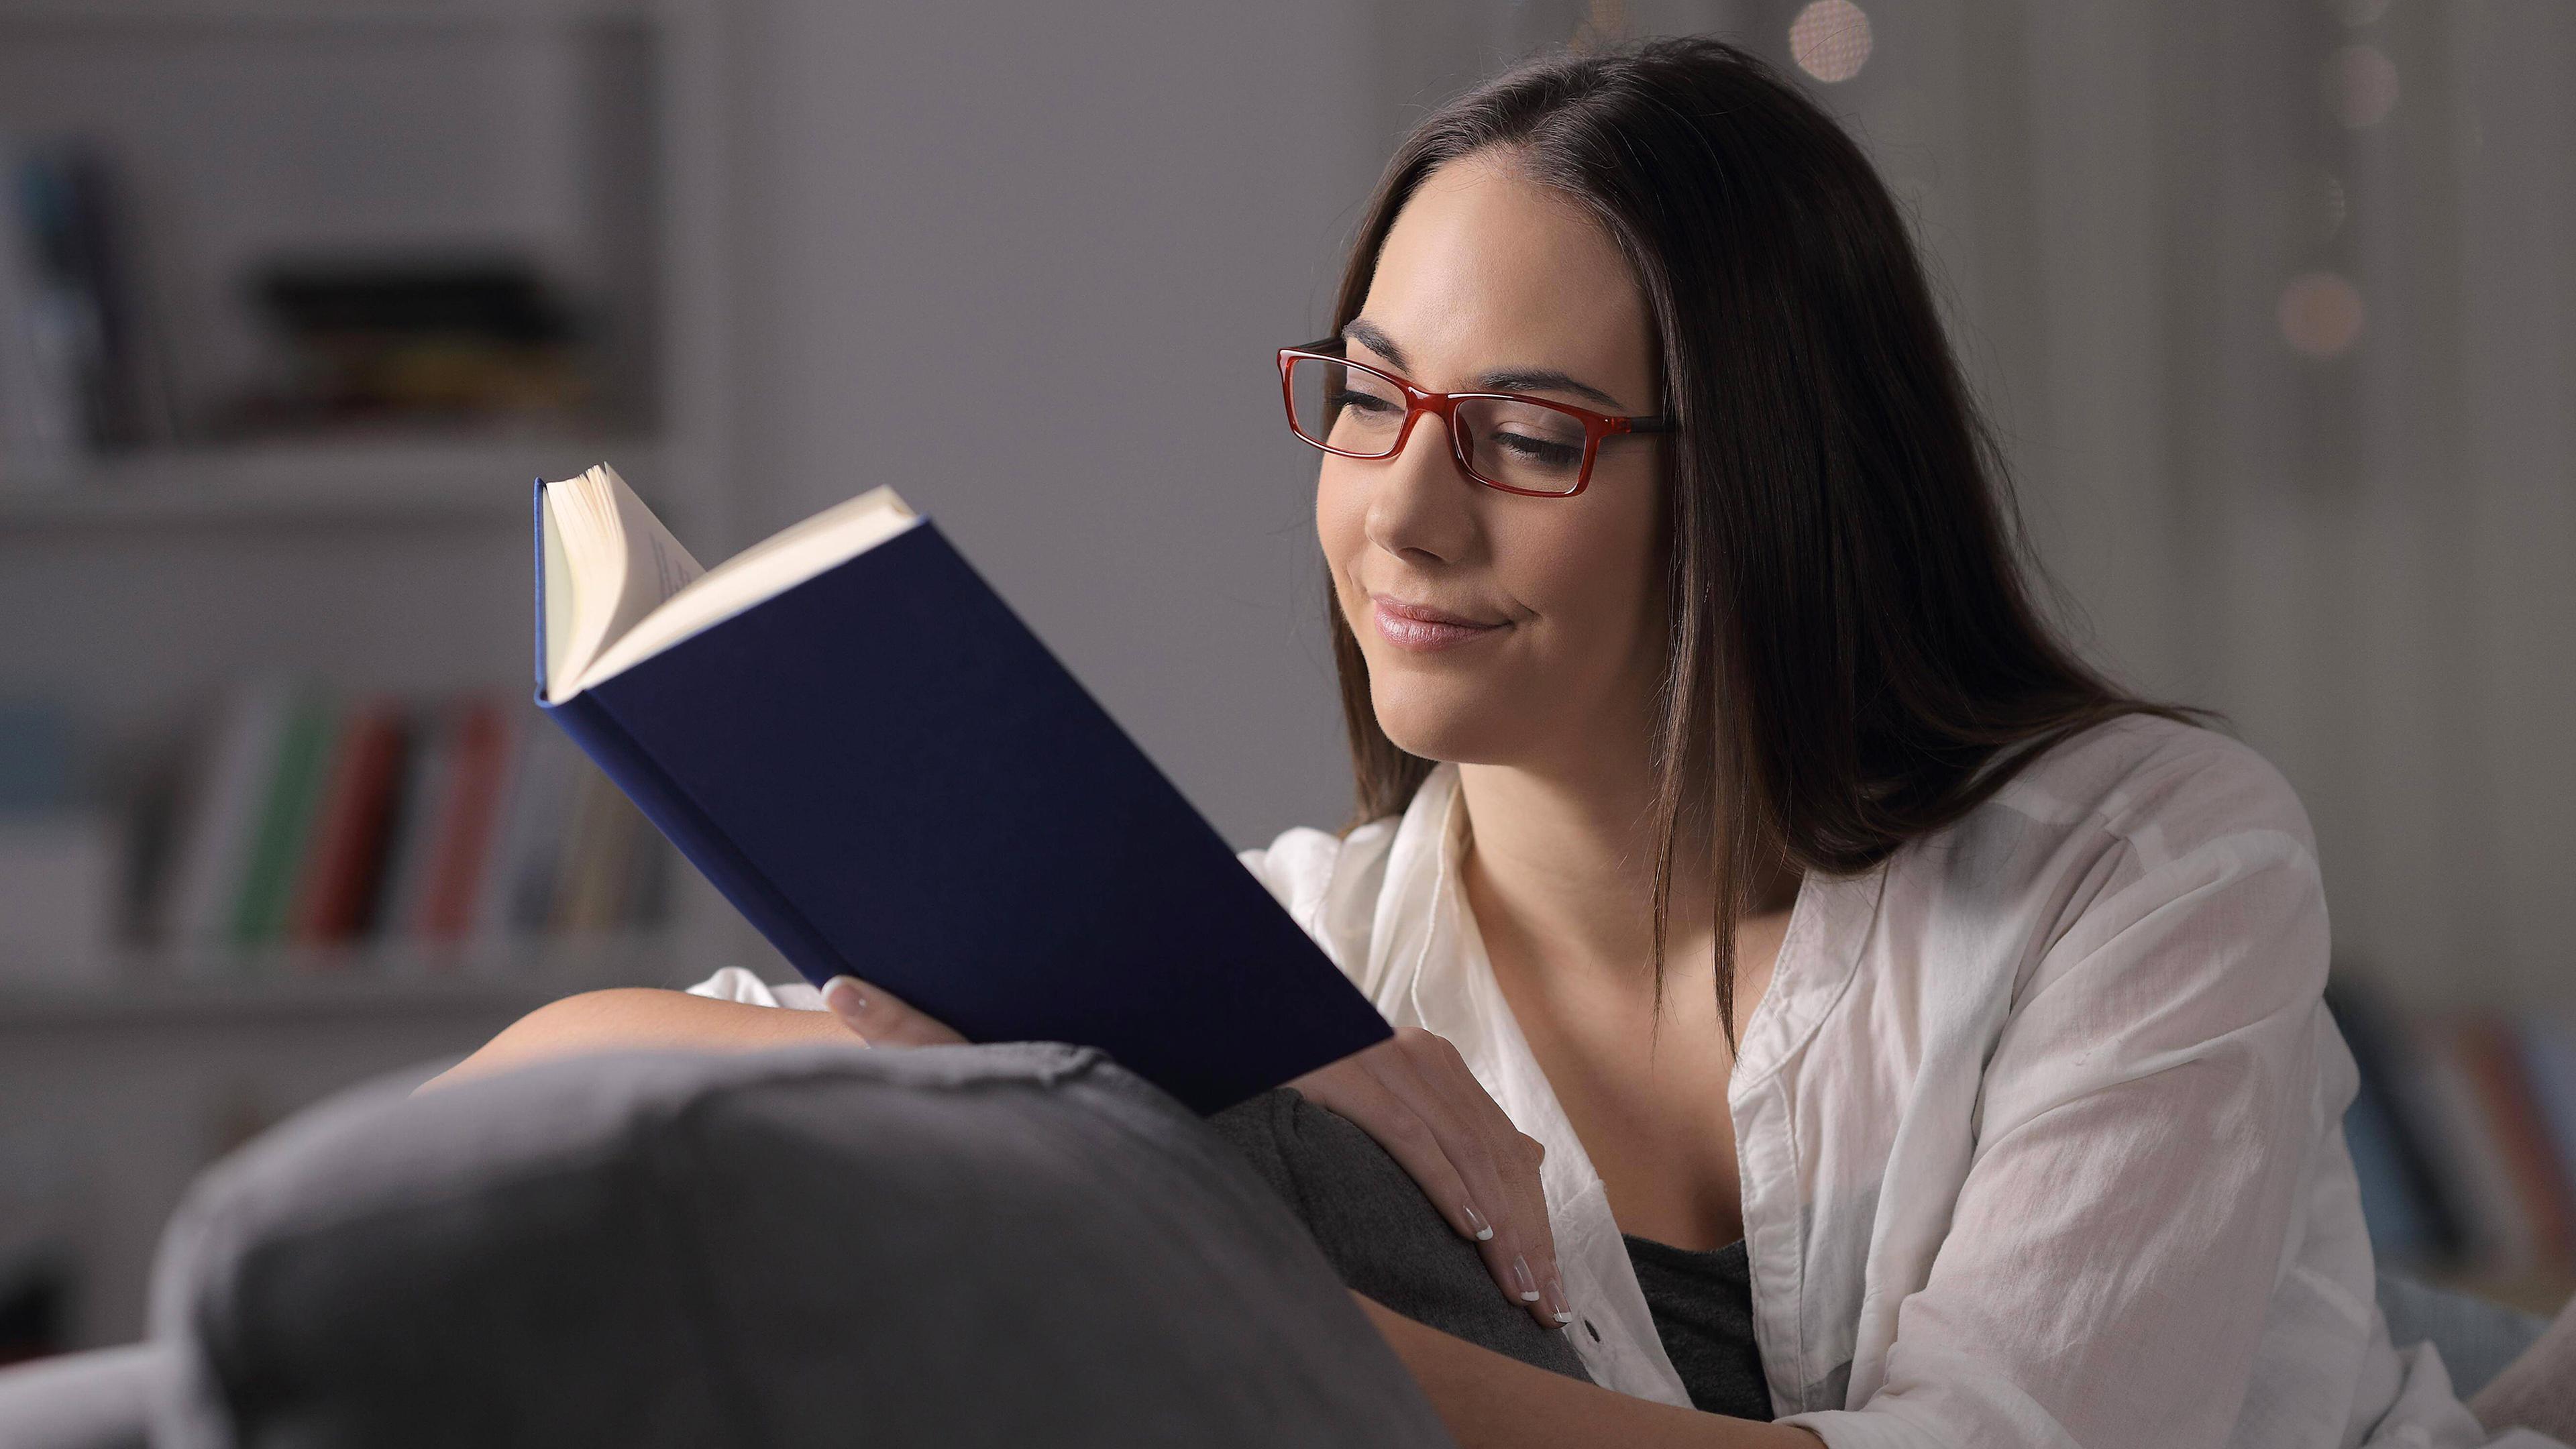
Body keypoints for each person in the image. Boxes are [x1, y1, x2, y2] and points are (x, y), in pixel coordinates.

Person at [435, 37, 2555, 1449]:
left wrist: (1209, 1305)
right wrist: (906, 1087)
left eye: (1529, 437)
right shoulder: (1301, 960)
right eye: (1368, 398)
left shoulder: (2150, 858)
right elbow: (489, 1114)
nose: (1403, 512)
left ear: (1771, 483)